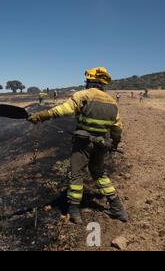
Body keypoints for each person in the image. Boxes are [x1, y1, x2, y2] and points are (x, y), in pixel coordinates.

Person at [27, 67, 128, 224]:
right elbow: (117, 128)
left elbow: (63, 109)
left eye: (87, 81)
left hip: (83, 144)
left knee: (77, 174)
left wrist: (41, 116)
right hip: (101, 145)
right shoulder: (112, 102)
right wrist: (114, 143)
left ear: (91, 81)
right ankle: (117, 208)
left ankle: (74, 211)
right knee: (99, 174)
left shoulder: (84, 95)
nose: (86, 83)